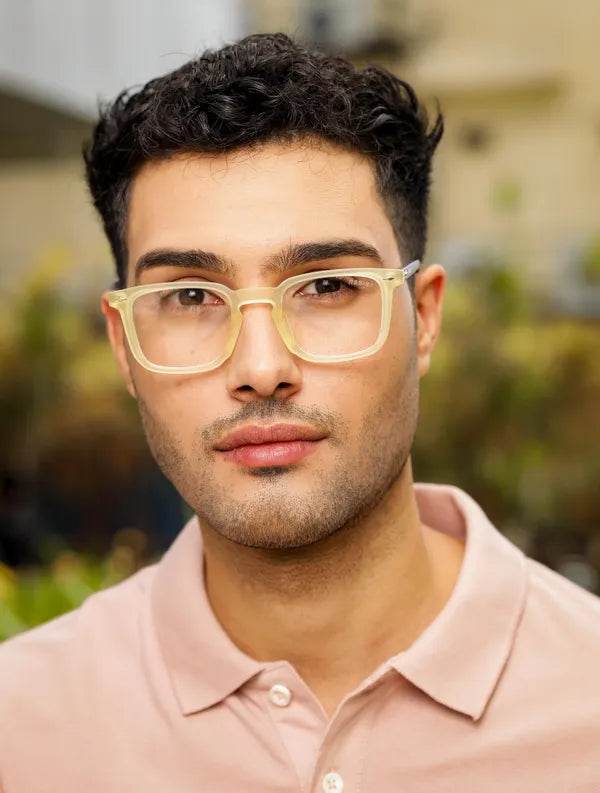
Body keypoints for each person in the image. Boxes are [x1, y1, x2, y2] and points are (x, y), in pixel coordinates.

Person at [1, 32, 599, 793]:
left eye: (326, 287)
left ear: (423, 318)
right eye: (190, 296)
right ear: (123, 346)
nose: (260, 370)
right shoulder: (21, 725)